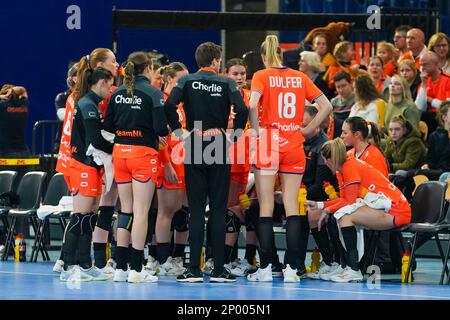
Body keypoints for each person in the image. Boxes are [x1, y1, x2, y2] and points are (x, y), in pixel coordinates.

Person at [246, 35, 332, 283]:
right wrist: (308, 130)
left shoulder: (262, 76)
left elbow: (252, 106)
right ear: (282, 55)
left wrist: (256, 130)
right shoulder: (300, 76)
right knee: (292, 205)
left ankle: (266, 268)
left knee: (266, 206)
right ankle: (293, 268)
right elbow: (325, 106)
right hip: (294, 142)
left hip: (270, 141)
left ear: (264, 56)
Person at [164, 42, 248, 283]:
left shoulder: (186, 80)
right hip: (219, 141)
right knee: (219, 208)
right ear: (215, 61)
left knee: (197, 208)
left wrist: (180, 134)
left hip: (195, 141)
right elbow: (241, 109)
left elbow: (169, 105)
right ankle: (219, 269)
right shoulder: (227, 82)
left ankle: (193, 269)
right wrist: (236, 134)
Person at [306, 138, 411, 282]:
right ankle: (343, 265)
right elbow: (344, 199)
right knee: (335, 213)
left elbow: (348, 201)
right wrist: (319, 205)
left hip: (396, 211)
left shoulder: (350, 167)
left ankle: (353, 269)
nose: (325, 163)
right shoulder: (341, 169)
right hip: (382, 207)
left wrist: (327, 209)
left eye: (325, 160)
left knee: (345, 216)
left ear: (331, 159)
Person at [104, 51, 169, 283]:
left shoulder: (118, 92)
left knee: (125, 210)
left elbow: (108, 125)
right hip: (143, 155)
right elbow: (161, 128)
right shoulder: (153, 93)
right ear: (149, 68)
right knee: (141, 212)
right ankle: (137, 268)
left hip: (120, 154)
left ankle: (120, 267)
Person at [53, 48, 120, 274]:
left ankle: (85, 264)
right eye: (109, 86)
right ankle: (68, 265)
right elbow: (95, 139)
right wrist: (118, 148)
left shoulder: (86, 100)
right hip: (81, 164)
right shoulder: (87, 104)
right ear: (100, 83)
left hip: (88, 165)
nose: (110, 90)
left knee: (88, 216)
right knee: (80, 215)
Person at [151, 62, 190, 276]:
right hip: (168, 165)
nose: (184, 84)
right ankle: (161, 259)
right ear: (169, 79)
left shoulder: (182, 105)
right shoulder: (162, 102)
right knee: (165, 212)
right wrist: (166, 164)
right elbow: (159, 138)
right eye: (180, 79)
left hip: (184, 165)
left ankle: (177, 258)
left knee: (182, 214)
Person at [300, 106, 344, 280]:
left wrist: (293, 195)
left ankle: (331, 261)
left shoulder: (324, 146)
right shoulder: (298, 141)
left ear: (316, 124)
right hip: (306, 194)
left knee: (310, 215)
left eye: (304, 125)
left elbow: (319, 186)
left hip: (324, 195)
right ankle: (293, 263)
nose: (301, 129)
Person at [415, 51, 450, 135]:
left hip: (445, 117)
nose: (422, 68)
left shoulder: (447, 80)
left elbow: (447, 107)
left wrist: (430, 100)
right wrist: (423, 84)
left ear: (437, 64)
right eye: (421, 65)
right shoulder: (424, 81)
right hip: (431, 119)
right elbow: (419, 108)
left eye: (425, 64)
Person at [0, 85, 30, 157]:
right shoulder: (24, 104)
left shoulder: (2, 106)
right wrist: (12, 90)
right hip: (24, 152)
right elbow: (23, 90)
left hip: (4, 153)